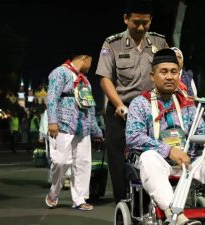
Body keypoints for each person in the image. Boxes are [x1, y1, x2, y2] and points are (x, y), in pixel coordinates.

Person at [126, 48, 205, 225]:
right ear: (152, 76)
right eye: (164, 72)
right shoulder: (140, 103)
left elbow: (201, 131)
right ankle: (176, 217)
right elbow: (133, 137)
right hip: (160, 164)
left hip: (189, 162)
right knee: (148, 157)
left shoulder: (187, 104)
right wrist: (169, 151)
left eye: (174, 72)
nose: (169, 77)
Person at [95, 0, 168, 204]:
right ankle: (122, 199)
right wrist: (118, 104)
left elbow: (169, 70)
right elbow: (104, 78)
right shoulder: (112, 43)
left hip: (151, 109)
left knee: (154, 152)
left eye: (146, 23)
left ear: (151, 20)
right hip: (121, 107)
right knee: (117, 157)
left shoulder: (159, 42)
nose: (141, 27)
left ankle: (154, 199)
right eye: (136, 22)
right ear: (126, 19)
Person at [45, 52, 103, 211]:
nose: (91, 67)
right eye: (90, 62)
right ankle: (54, 191)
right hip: (63, 124)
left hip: (83, 128)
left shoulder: (86, 81)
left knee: (83, 164)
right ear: (84, 58)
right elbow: (52, 97)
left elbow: (90, 107)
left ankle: (79, 199)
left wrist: (96, 130)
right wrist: (52, 121)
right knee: (60, 161)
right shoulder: (60, 72)